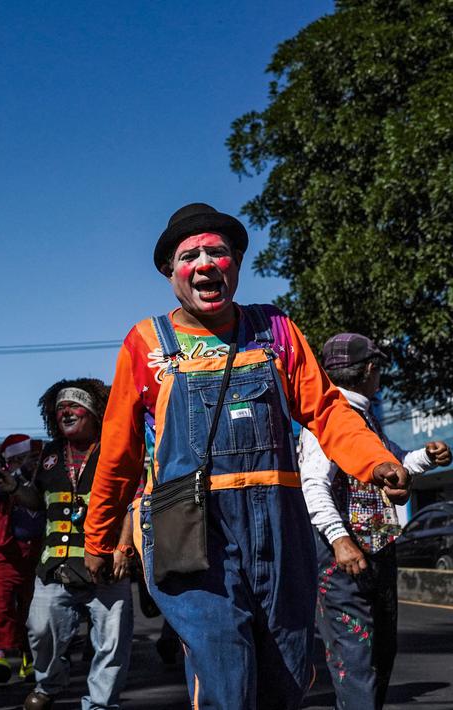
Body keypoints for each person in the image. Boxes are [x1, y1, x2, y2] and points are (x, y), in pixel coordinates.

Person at [84, 203, 413, 710]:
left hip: (280, 527)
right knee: (226, 678)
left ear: (235, 262)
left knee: (285, 674)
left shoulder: (276, 330)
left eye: (217, 251)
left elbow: (325, 409)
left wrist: (375, 461)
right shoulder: (145, 342)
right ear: (171, 272)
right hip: (189, 528)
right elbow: (119, 453)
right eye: (189, 256)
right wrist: (101, 537)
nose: (204, 264)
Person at [300, 333, 452, 710]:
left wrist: (427, 458)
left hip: (378, 553)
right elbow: (313, 485)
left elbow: (394, 466)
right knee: (356, 663)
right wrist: (339, 539)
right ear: (370, 369)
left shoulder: (366, 417)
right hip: (342, 562)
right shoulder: (328, 418)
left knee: (381, 656)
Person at [23, 380, 133, 710]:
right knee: (41, 629)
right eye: (59, 409)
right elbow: (37, 501)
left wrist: (123, 548)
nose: (65, 412)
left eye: (74, 406)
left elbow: (132, 501)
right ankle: (50, 682)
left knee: (111, 644)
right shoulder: (50, 455)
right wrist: (13, 487)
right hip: (55, 566)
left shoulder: (115, 449)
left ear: (95, 413)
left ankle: (100, 704)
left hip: (107, 564)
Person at [0, 433, 46, 682]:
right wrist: (10, 475)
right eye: (24, 458)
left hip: (35, 553)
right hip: (3, 553)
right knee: (0, 603)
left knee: (30, 609)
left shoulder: (43, 480)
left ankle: (28, 657)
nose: (31, 462)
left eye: (33, 458)